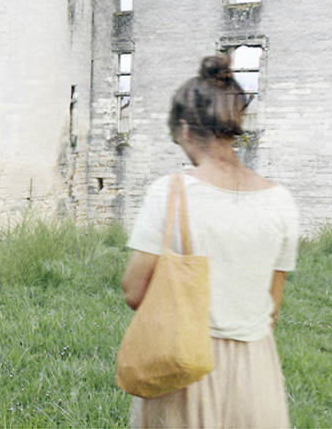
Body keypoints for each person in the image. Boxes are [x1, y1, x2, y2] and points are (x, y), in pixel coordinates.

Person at [120, 54, 299, 427]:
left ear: (185, 130)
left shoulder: (169, 192)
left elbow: (134, 291)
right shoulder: (280, 200)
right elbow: (272, 306)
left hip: (183, 367)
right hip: (256, 372)